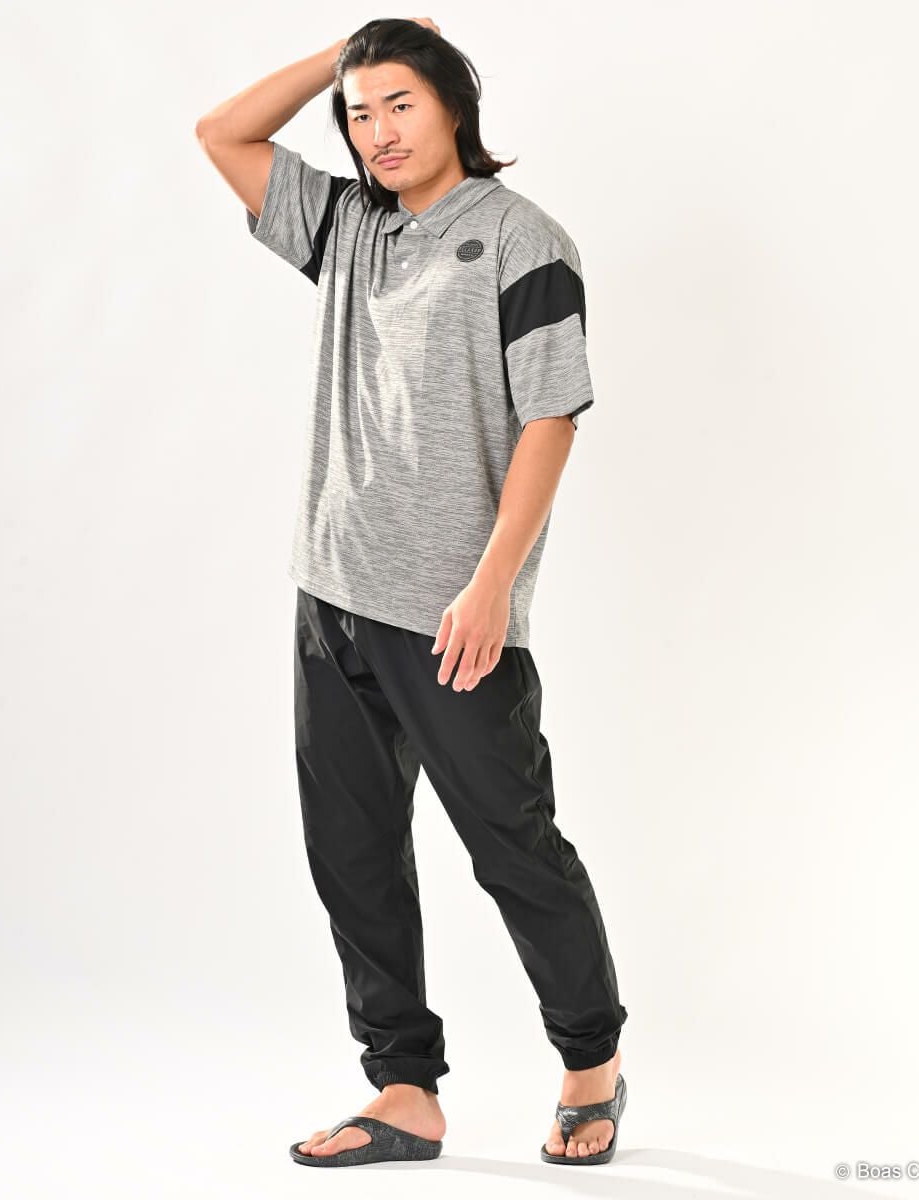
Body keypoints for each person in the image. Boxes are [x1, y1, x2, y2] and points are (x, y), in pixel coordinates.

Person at [196, 17, 629, 1168]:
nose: (378, 131)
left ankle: (591, 1060)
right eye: (359, 113)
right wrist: (344, 49)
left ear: (453, 106)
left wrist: (492, 585)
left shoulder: (524, 239)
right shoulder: (349, 226)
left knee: (512, 847)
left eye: (400, 102)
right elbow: (222, 133)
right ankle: (403, 1089)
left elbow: (550, 418)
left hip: (453, 615)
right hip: (330, 591)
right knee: (353, 850)